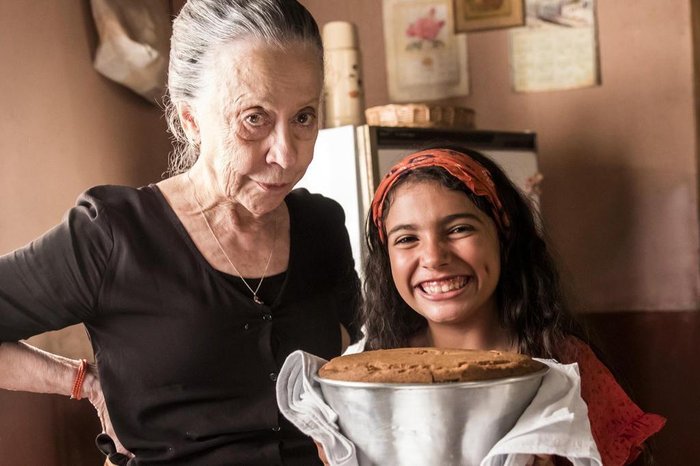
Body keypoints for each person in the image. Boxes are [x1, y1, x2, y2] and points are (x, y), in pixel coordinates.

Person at [0, 1, 360, 464]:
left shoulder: (322, 226)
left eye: (304, 117)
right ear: (191, 119)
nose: (287, 156)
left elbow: (353, 350)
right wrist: (80, 381)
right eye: (255, 118)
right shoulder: (115, 234)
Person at [359, 146, 666, 466]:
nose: (434, 258)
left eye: (459, 229)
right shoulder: (369, 378)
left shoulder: (566, 365)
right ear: (387, 260)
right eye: (407, 238)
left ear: (504, 239)